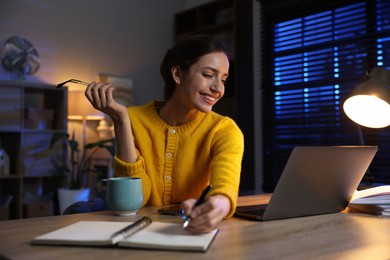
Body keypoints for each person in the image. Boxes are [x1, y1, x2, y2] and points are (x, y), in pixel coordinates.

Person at [85, 35, 244, 233]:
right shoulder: (132, 118)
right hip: (137, 229)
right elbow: (136, 200)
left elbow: (225, 188)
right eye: (208, 74)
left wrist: (218, 207)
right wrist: (121, 121)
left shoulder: (224, 130)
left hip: (188, 231)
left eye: (223, 79)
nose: (218, 88)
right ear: (177, 74)